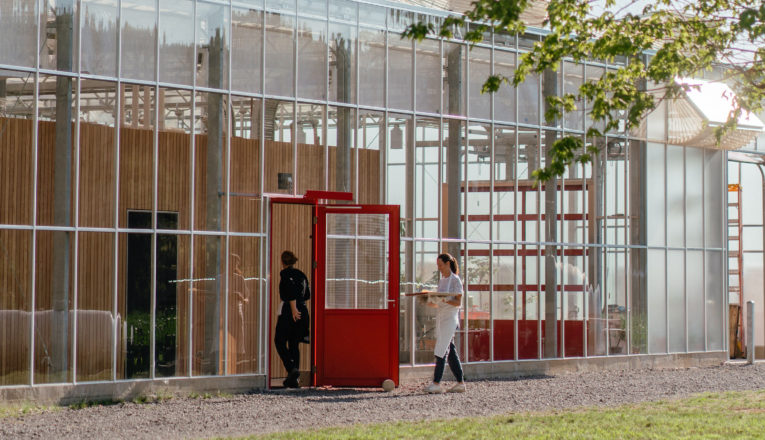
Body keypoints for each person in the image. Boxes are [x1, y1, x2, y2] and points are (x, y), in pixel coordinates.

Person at [425, 253, 466, 394]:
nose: (439, 268)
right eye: (438, 266)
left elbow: (458, 303)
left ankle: (436, 383)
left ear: (448, 264)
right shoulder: (442, 281)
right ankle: (460, 382)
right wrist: (430, 301)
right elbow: (439, 302)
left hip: (450, 319)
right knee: (451, 351)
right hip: (442, 318)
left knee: (441, 349)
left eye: (441, 265)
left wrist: (444, 300)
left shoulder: (456, 281)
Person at [274, 250, 310, 388]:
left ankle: (291, 368)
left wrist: (294, 307)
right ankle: (293, 378)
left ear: (282, 261)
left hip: (290, 310)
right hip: (303, 309)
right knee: (294, 344)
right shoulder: (301, 274)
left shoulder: (285, 274)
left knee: (279, 341)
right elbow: (307, 294)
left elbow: (290, 290)